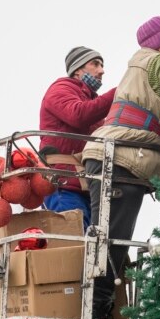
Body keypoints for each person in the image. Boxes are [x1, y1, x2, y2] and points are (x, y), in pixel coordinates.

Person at [82, 16, 160, 319]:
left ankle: (99, 304)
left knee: (110, 235)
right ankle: (97, 310)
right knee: (111, 237)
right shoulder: (155, 63)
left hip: (119, 155)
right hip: (123, 157)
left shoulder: (143, 65)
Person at [39, 46, 116, 229]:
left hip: (85, 187)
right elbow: (78, 115)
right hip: (62, 185)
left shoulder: (90, 100)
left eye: (102, 65)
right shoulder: (61, 88)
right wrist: (118, 93)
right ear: (78, 69)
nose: (101, 71)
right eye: (95, 64)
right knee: (73, 243)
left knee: (90, 248)